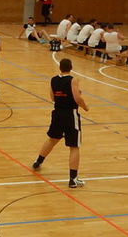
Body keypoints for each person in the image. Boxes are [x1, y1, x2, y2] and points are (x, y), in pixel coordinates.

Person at [32, 58, 89, 189]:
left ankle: (38, 162)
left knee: (52, 139)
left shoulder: (53, 80)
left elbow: (53, 97)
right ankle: (73, 179)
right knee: (74, 147)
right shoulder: (73, 80)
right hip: (70, 115)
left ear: (60, 68)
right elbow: (77, 98)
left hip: (57, 113)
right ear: (71, 67)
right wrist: (85, 107)